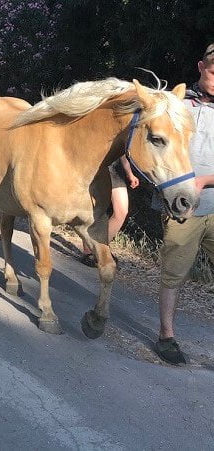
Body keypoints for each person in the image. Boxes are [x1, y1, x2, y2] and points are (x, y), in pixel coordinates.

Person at [154, 43, 214, 365]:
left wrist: (204, 181)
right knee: (173, 273)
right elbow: (153, 143)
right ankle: (167, 336)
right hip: (183, 210)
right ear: (201, 67)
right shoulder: (178, 106)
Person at [79, 155, 139, 267]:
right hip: (97, 164)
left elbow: (123, 148)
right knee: (95, 209)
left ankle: (99, 248)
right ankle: (90, 251)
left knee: (121, 211)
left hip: (115, 168)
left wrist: (129, 173)